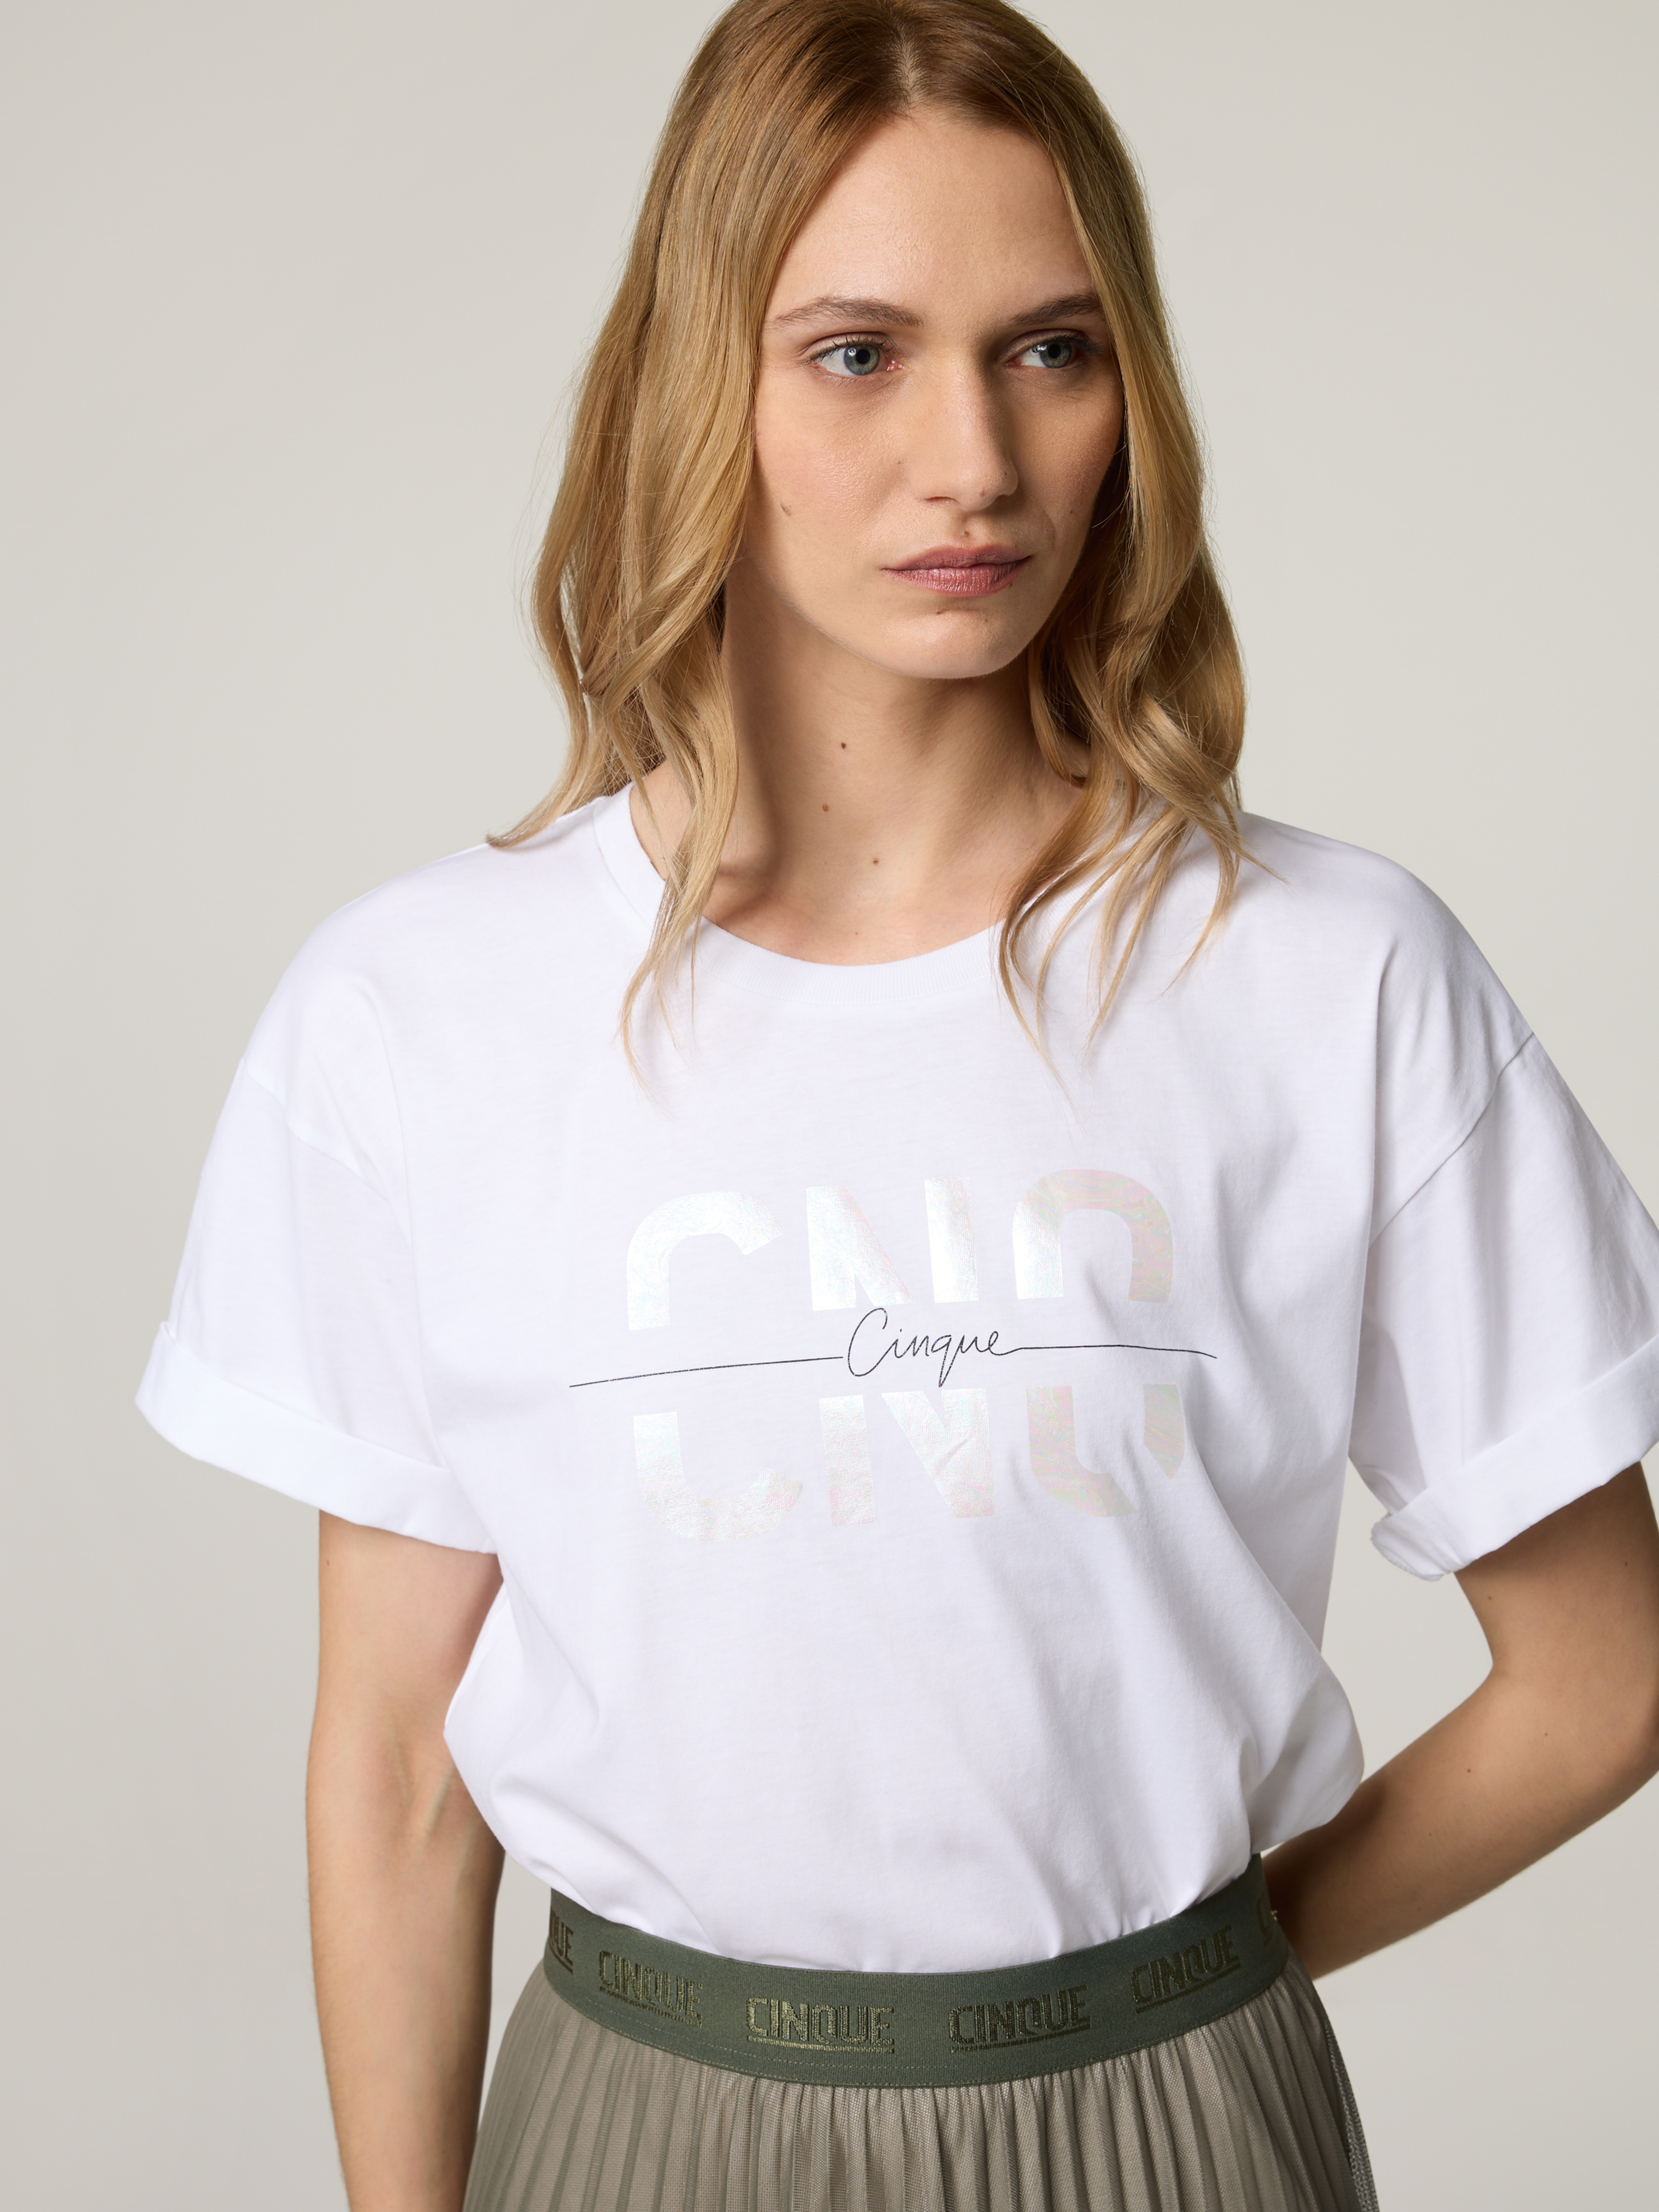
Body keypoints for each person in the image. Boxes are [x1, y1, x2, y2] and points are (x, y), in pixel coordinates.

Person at [137, 0, 1659, 2206]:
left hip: (1172, 2117)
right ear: (699, 386)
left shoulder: (1332, 976)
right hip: (634, 2117)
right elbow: (394, 1771)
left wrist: (1199, 1989)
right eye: (856, 352)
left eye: (1050, 349)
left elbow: (1604, 1670)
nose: (975, 457)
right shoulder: (419, 1009)